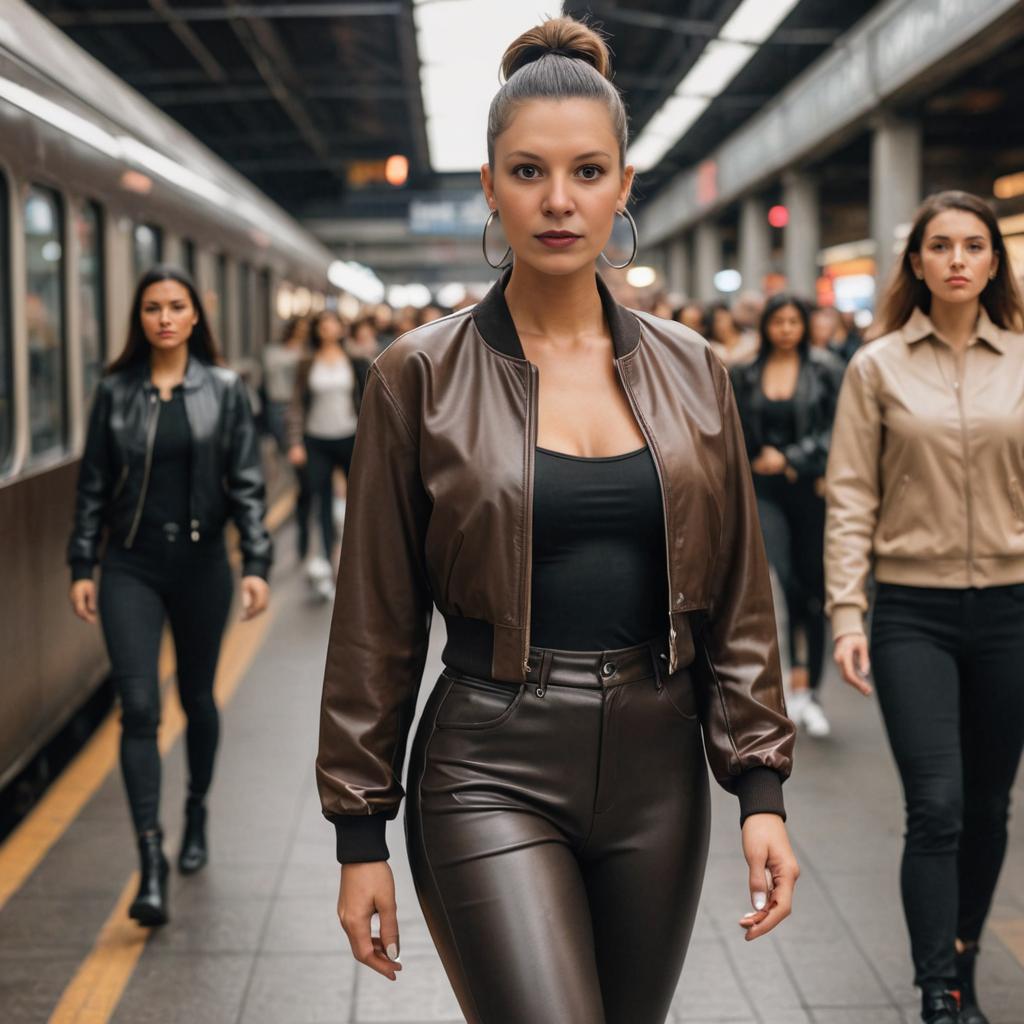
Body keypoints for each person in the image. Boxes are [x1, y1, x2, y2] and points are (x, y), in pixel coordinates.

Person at [317, 18, 798, 1024]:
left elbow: (740, 599)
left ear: (624, 186)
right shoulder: (419, 374)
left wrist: (759, 787)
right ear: (489, 185)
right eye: (528, 171)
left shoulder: (693, 370)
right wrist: (360, 832)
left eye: (587, 172)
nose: (558, 200)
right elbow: (375, 618)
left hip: (658, 769)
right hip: (489, 757)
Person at [825, 190, 1024, 1024]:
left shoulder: (1022, 358)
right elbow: (849, 495)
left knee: (988, 808)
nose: (955, 260)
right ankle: (937, 987)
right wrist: (845, 612)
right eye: (939, 246)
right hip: (913, 612)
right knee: (936, 805)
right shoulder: (876, 367)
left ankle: (966, 958)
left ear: (992, 261)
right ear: (914, 263)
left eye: (972, 246)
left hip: (1012, 611)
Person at [67, 265, 271, 926]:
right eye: (152, 307)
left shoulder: (226, 390)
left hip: (203, 564)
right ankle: (149, 858)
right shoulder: (115, 392)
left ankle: (197, 811)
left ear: (193, 317)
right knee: (138, 706)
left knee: (197, 699)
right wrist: (81, 563)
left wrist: (256, 562)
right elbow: (93, 484)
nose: (163, 317)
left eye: (175, 306)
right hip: (130, 565)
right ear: (141, 319)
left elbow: (245, 480)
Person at [731, 295, 843, 738]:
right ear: (765, 326)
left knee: (811, 589)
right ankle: (777, 689)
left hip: (810, 487)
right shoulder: (745, 372)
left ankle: (807, 689)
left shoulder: (826, 368)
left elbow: (837, 427)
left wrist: (794, 457)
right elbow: (734, 426)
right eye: (778, 321)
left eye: (794, 321)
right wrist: (759, 461)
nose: (786, 329)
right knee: (782, 582)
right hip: (762, 490)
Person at [286, 310, 369, 601]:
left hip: (350, 437)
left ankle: (356, 560)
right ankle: (326, 558)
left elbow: (368, 399)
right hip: (316, 439)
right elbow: (296, 403)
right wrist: (295, 442)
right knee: (319, 498)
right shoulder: (307, 362)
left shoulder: (356, 359)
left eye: (333, 323)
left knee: (359, 501)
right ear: (317, 329)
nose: (328, 328)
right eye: (323, 324)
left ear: (341, 327)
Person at [263, 316, 314, 563]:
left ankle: (297, 491)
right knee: (286, 456)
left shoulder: (308, 355)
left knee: (296, 459)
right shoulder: (274, 352)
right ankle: (291, 490)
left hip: (294, 408)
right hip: (276, 405)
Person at [704, 301, 758, 367]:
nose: (719, 325)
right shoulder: (711, 346)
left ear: (730, 315)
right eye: (714, 322)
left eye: (721, 319)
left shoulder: (751, 339)